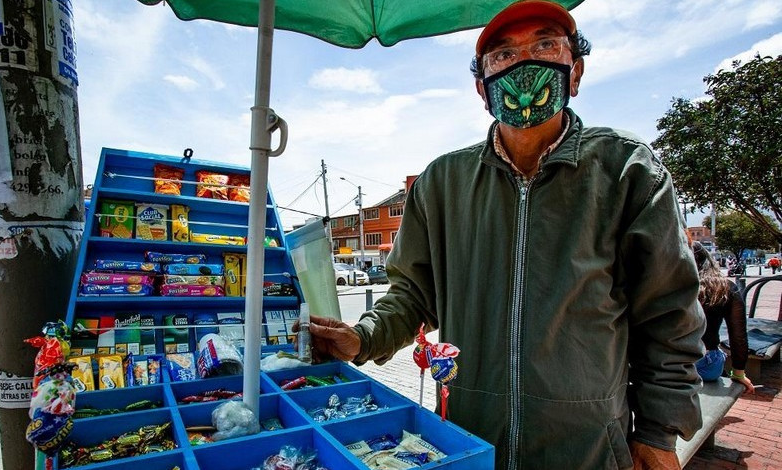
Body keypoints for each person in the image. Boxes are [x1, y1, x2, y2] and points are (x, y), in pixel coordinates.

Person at [299, 1, 706, 468]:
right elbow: (413, 295)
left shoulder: (627, 170)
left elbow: (668, 314)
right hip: (471, 441)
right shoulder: (441, 183)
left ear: (575, 71)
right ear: (482, 87)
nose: (524, 63)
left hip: (588, 448)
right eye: (504, 54)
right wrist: (363, 336)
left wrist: (658, 432)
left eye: (545, 45)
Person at [692, 242, 755, 392]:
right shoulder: (725, 288)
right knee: (716, 358)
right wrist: (738, 373)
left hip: (666, 361)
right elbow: (738, 336)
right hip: (705, 365)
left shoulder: (668, 286)